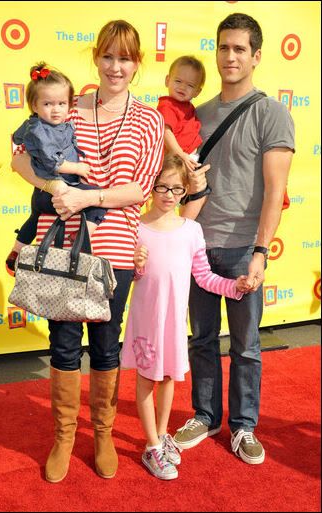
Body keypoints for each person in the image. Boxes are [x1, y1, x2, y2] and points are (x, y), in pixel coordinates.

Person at [11, 20, 204, 484]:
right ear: (96, 57)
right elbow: (20, 155)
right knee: (61, 341)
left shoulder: (148, 119)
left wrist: (85, 197)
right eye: (109, 56)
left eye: (126, 58)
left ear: (138, 65)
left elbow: (137, 189)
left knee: (103, 344)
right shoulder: (66, 106)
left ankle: (101, 434)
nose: (116, 66)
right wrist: (52, 184)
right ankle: (62, 436)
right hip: (59, 241)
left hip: (115, 246)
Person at [173, 13, 295, 465]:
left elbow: (275, 191)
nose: (230, 56)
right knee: (202, 339)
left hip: (245, 248)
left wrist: (261, 252)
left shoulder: (272, 113)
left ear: (256, 56)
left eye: (240, 48)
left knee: (246, 345)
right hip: (197, 245)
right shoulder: (197, 116)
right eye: (224, 47)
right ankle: (205, 416)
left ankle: (244, 426)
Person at [121, 154, 251, 480]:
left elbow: (204, 277)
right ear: (149, 186)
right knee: (147, 379)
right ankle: (151, 446)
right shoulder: (134, 227)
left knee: (167, 379)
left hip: (174, 325)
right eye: (162, 187)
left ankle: (161, 434)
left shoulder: (191, 230)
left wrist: (234, 285)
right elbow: (126, 280)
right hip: (146, 325)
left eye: (176, 189)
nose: (168, 194)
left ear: (184, 192)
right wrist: (134, 266)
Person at [5, 62, 106, 276]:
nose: (56, 109)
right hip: (52, 189)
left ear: (70, 103)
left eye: (61, 103)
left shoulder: (36, 124)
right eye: (48, 104)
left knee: (35, 217)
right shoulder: (41, 130)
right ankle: (80, 242)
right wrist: (78, 168)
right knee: (97, 202)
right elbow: (53, 162)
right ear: (34, 105)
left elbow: (17, 136)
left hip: (40, 194)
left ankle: (16, 251)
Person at [157, 55, 206, 172]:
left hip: (187, 160)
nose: (182, 87)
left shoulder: (190, 108)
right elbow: (165, 132)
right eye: (178, 81)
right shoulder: (167, 105)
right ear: (167, 80)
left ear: (197, 92)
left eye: (190, 85)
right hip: (172, 161)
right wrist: (180, 154)